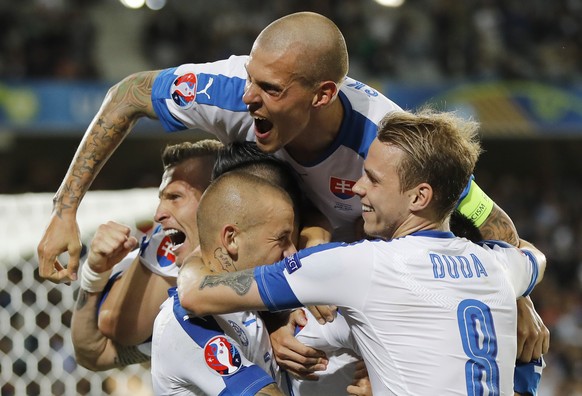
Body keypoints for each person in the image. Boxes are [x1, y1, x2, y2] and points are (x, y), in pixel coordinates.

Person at [39, 11, 547, 364]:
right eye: (252, 79)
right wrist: (65, 209)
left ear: (324, 94)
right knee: (118, 339)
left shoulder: (387, 139)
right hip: (263, 271)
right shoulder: (229, 91)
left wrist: (519, 303)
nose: (251, 98)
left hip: (347, 288)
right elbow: (127, 93)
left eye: (272, 90)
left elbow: (492, 221)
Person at [176, 109, 547, 395]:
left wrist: (201, 244)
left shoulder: (359, 265)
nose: (356, 187)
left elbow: (194, 295)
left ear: (419, 197)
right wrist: (521, 297)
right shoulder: (500, 265)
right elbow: (534, 256)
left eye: (373, 179)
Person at [71, 139, 222, 369]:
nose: (158, 214)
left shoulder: (282, 257)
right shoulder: (169, 252)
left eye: (175, 197)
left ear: (220, 198)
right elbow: (97, 350)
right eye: (161, 199)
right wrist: (93, 275)